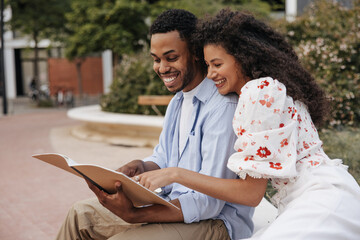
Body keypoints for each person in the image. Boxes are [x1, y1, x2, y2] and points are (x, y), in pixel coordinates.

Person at [136, 9, 360, 239]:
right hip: (319, 194)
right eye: (207, 65)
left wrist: (176, 174)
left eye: (217, 64)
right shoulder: (265, 89)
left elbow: (251, 194)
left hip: (322, 200)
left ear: (242, 58)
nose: (210, 74)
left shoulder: (257, 93)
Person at [55, 9, 253, 240]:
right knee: (80, 215)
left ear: (196, 54)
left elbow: (209, 204)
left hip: (216, 223)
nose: (162, 68)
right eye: (156, 59)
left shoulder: (222, 107)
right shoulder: (178, 102)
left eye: (171, 58)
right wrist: (141, 165)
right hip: (173, 204)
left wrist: (135, 215)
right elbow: (164, 157)